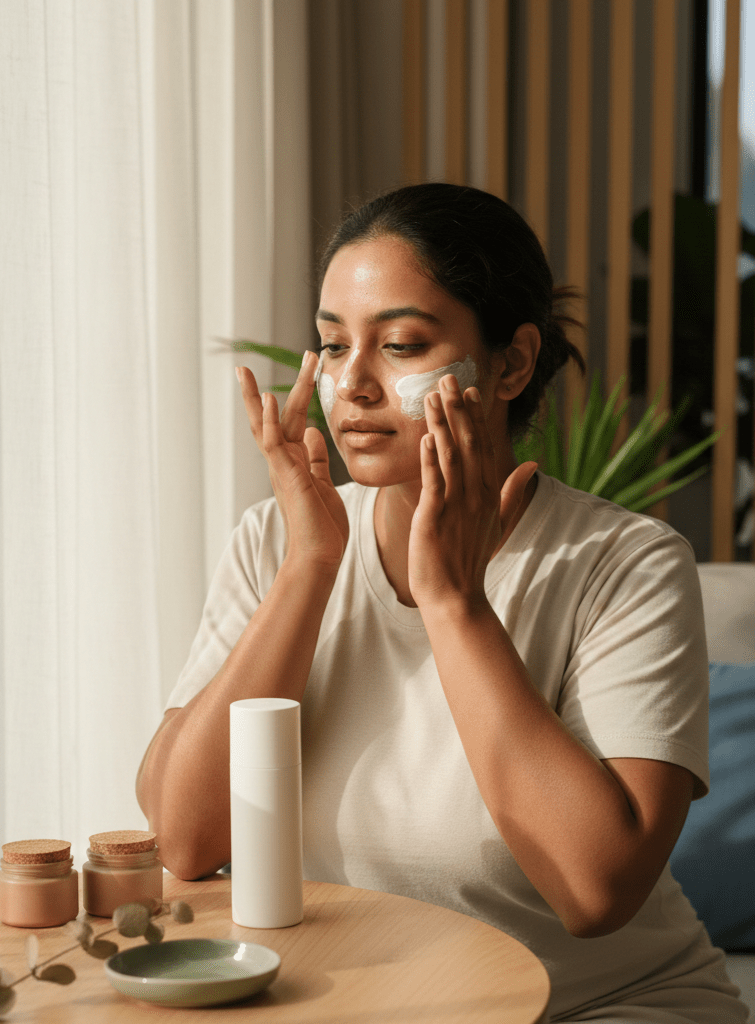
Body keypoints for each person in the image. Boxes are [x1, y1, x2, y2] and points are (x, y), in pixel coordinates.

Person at [136, 183, 747, 1023]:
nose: (349, 384)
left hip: (598, 1007)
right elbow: (184, 839)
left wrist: (455, 602)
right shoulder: (277, 543)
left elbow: (595, 891)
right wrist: (309, 567)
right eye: (330, 344)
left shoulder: (624, 565)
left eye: (401, 345)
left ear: (511, 363)